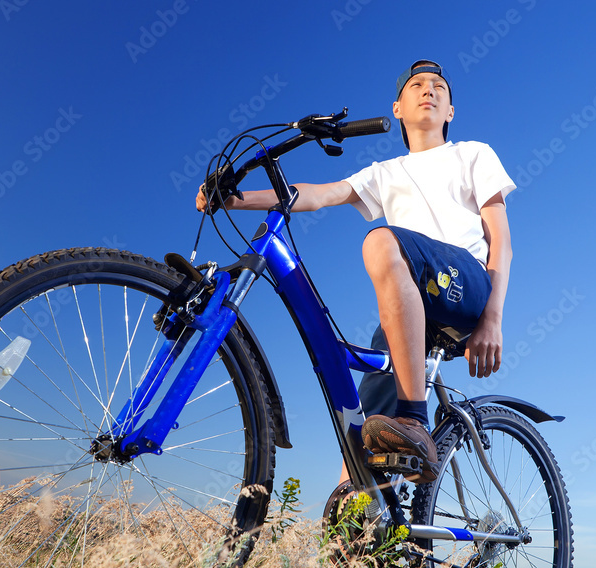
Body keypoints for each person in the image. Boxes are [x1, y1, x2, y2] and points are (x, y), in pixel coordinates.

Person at [196, 59, 515, 485]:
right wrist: (234, 200)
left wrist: (493, 317)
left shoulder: (472, 153)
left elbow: (502, 241)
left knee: (381, 241)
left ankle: (415, 422)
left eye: (439, 86)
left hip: (466, 284)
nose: (429, 90)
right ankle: (357, 530)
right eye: (416, 84)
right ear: (397, 108)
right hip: (408, 308)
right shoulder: (385, 173)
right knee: (364, 434)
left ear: (451, 112)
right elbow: (318, 194)